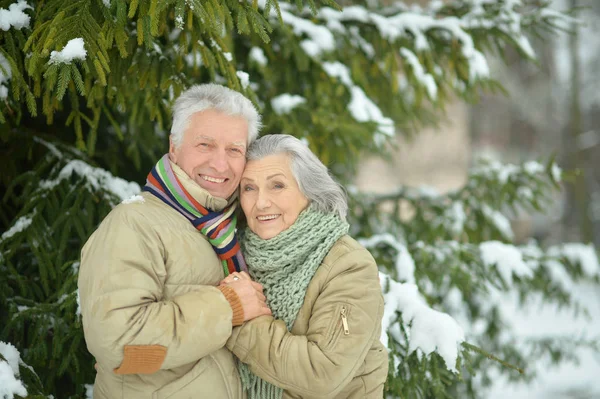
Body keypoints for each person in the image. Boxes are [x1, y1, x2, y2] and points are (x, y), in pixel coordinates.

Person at [78, 84, 272, 399]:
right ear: (174, 147)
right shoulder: (133, 225)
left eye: (234, 150)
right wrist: (228, 307)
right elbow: (119, 347)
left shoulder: (233, 229)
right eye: (205, 145)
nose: (220, 164)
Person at [220, 134, 388, 399]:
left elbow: (322, 374)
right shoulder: (233, 255)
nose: (261, 202)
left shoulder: (348, 266)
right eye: (249, 188)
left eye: (277, 186)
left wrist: (239, 318)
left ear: (309, 192)